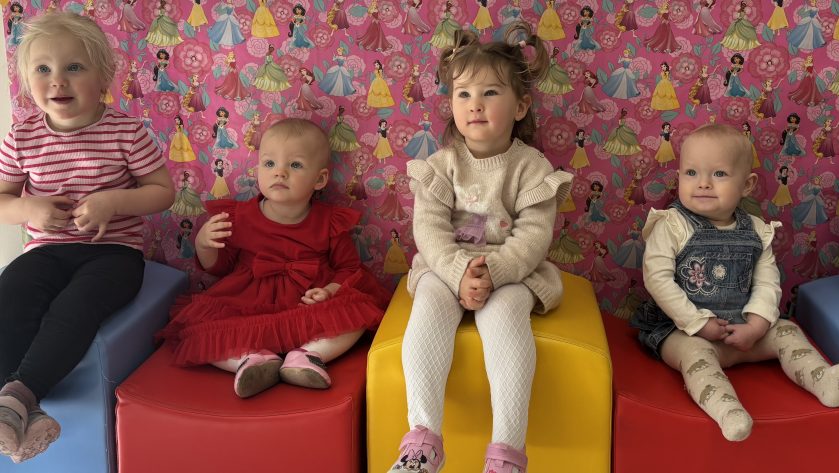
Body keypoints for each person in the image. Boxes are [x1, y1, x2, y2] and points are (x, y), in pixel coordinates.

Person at [390, 24, 572, 473]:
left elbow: (533, 235)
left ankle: (506, 454)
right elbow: (430, 230)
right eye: (464, 94)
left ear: (520, 106)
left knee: (506, 317)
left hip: (510, 273)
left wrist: (494, 272)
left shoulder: (531, 167)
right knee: (427, 310)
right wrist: (457, 273)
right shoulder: (441, 165)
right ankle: (422, 443)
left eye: (490, 93)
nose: (475, 104)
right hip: (446, 268)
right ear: (452, 104)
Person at [0, 13, 174, 462]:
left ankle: (22, 394)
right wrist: (29, 208)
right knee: (9, 294)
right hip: (46, 252)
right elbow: (2, 200)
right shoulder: (22, 135)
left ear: (103, 77)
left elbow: (162, 191)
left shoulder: (125, 131)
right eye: (42, 69)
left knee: (74, 307)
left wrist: (114, 202)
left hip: (112, 254)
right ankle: (13, 409)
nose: (57, 80)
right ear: (27, 80)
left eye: (74, 67)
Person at [631, 125, 839, 441]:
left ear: (747, 185)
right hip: (683, 331)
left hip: (743, 334)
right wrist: (698, 323)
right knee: (695, 355)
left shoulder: (757, 230)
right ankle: (727, 410)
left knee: (787, 332)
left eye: (719, 174)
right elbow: (658, 280)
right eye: (691, 173)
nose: (703, 183)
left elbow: (768, 283)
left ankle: (825, 382)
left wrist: (757, 326)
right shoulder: (672, 225)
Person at [156, 119, 389, 398]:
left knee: (357, 312)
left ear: (319, 180)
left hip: (306, 304)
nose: (280, 172)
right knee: (200, 332)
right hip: (248, 301)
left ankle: (307, 356)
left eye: (295, 165)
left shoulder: (329, 221)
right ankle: (251, 361)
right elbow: (219, 268)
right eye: (269, 164)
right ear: (258, 170)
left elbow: (348, 268)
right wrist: (204, 244)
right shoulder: (238, 216)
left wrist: (329, 290)